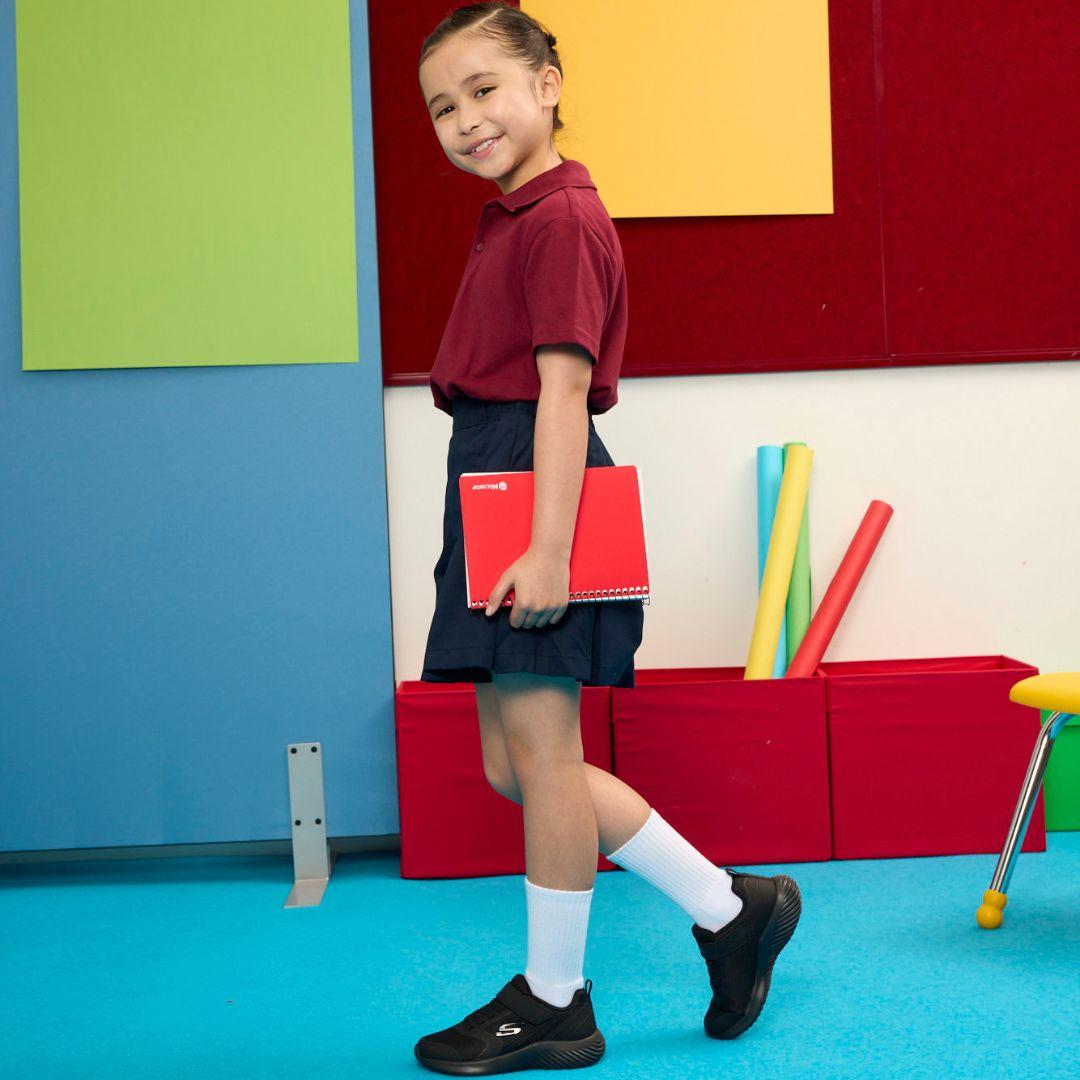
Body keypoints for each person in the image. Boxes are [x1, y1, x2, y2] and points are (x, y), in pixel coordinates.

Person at [413, 4, 801, 1073]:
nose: (464, 118)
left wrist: (546, 546)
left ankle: (555, 1000)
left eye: (485, 88)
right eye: (443, 106)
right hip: (491, 474)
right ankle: (731, 907)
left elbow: (564, 388)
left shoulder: (560, 219)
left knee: (544, 760)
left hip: (535, 484)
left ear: (547, 82)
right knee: (516, 762)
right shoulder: (516, 213)